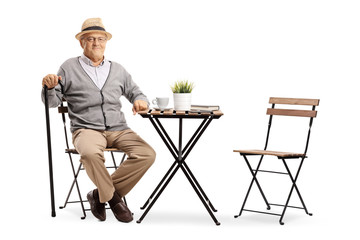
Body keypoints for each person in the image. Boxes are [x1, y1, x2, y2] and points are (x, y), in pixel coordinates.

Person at [41, 18, 156, 223]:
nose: (96, 43)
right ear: (81, 42)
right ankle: (113, 199)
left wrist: (140, 100)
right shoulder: (68, 67)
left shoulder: (118, 69)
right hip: (86, 129)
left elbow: (136, 92)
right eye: (90, 38)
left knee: (147, 154)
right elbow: (52, 102)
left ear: (106, 42)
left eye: (101, 38)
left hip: (119, 129)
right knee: (90, 154)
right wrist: (50, 87)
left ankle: (98, 195)